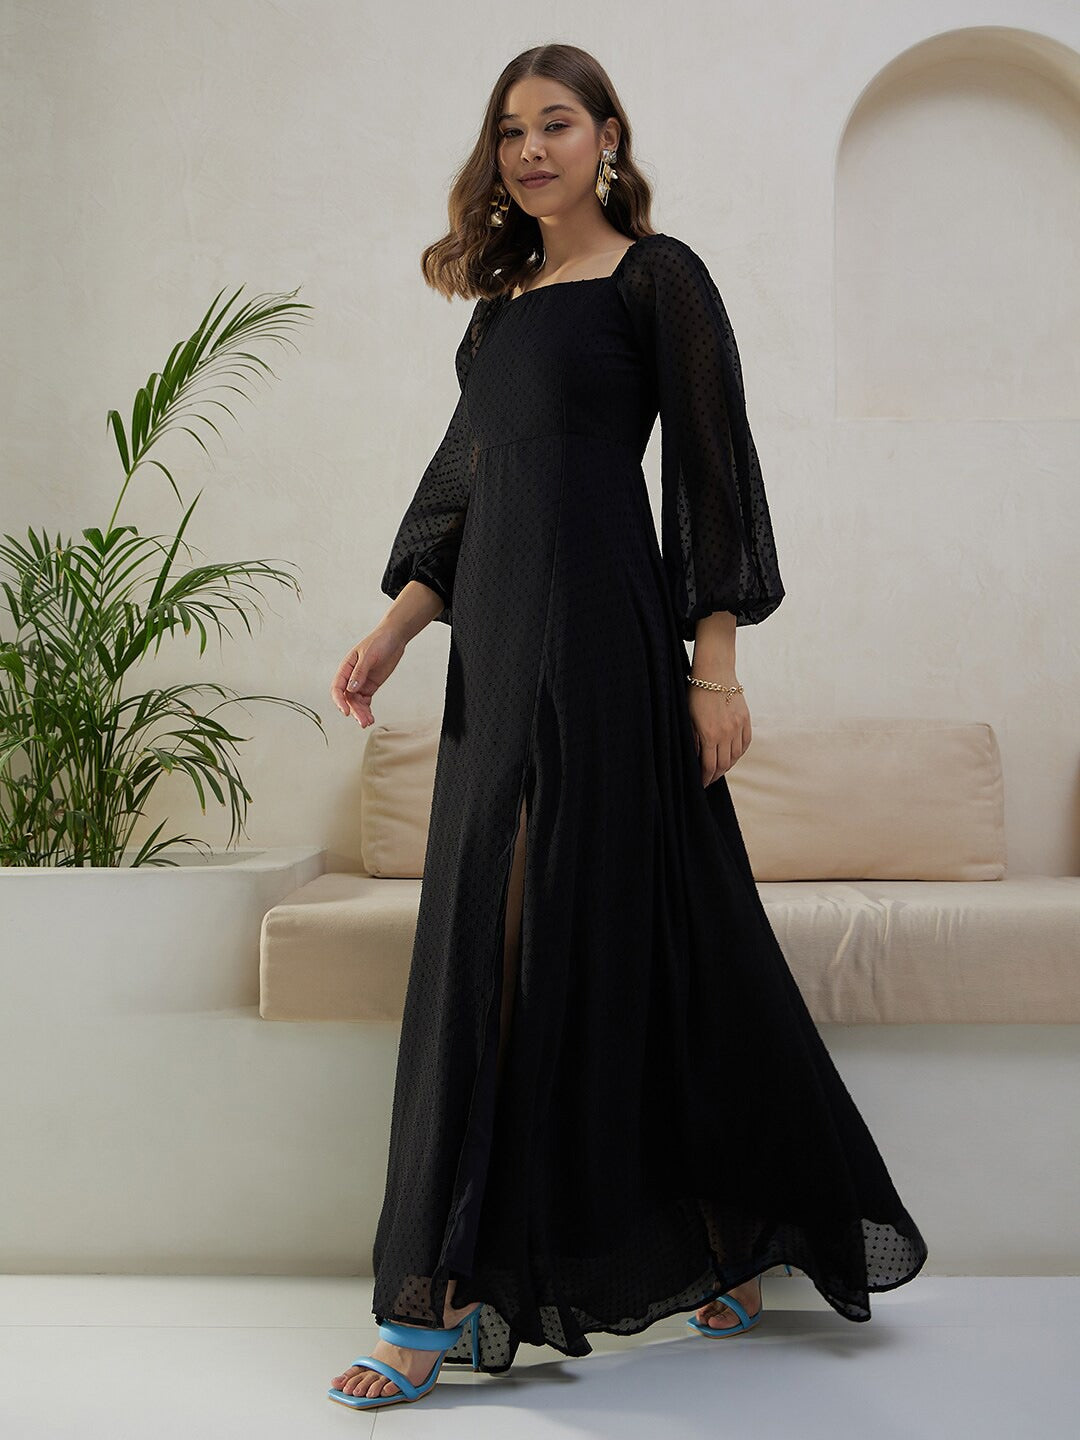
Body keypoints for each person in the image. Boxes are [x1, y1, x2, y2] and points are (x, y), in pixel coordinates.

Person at [327, 43, 928, 1411]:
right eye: (511, 130)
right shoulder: (496, 316)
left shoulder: (660, 279)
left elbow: (714, 470)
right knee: (538, 934)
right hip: (494, 658)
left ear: (608, 137)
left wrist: (715, 668)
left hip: (603, 638)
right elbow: (463, 495)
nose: (531, 149)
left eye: (558, 123)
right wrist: (394, 630)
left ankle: (450, 1302)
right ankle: (680, 1242)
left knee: (596, 927)